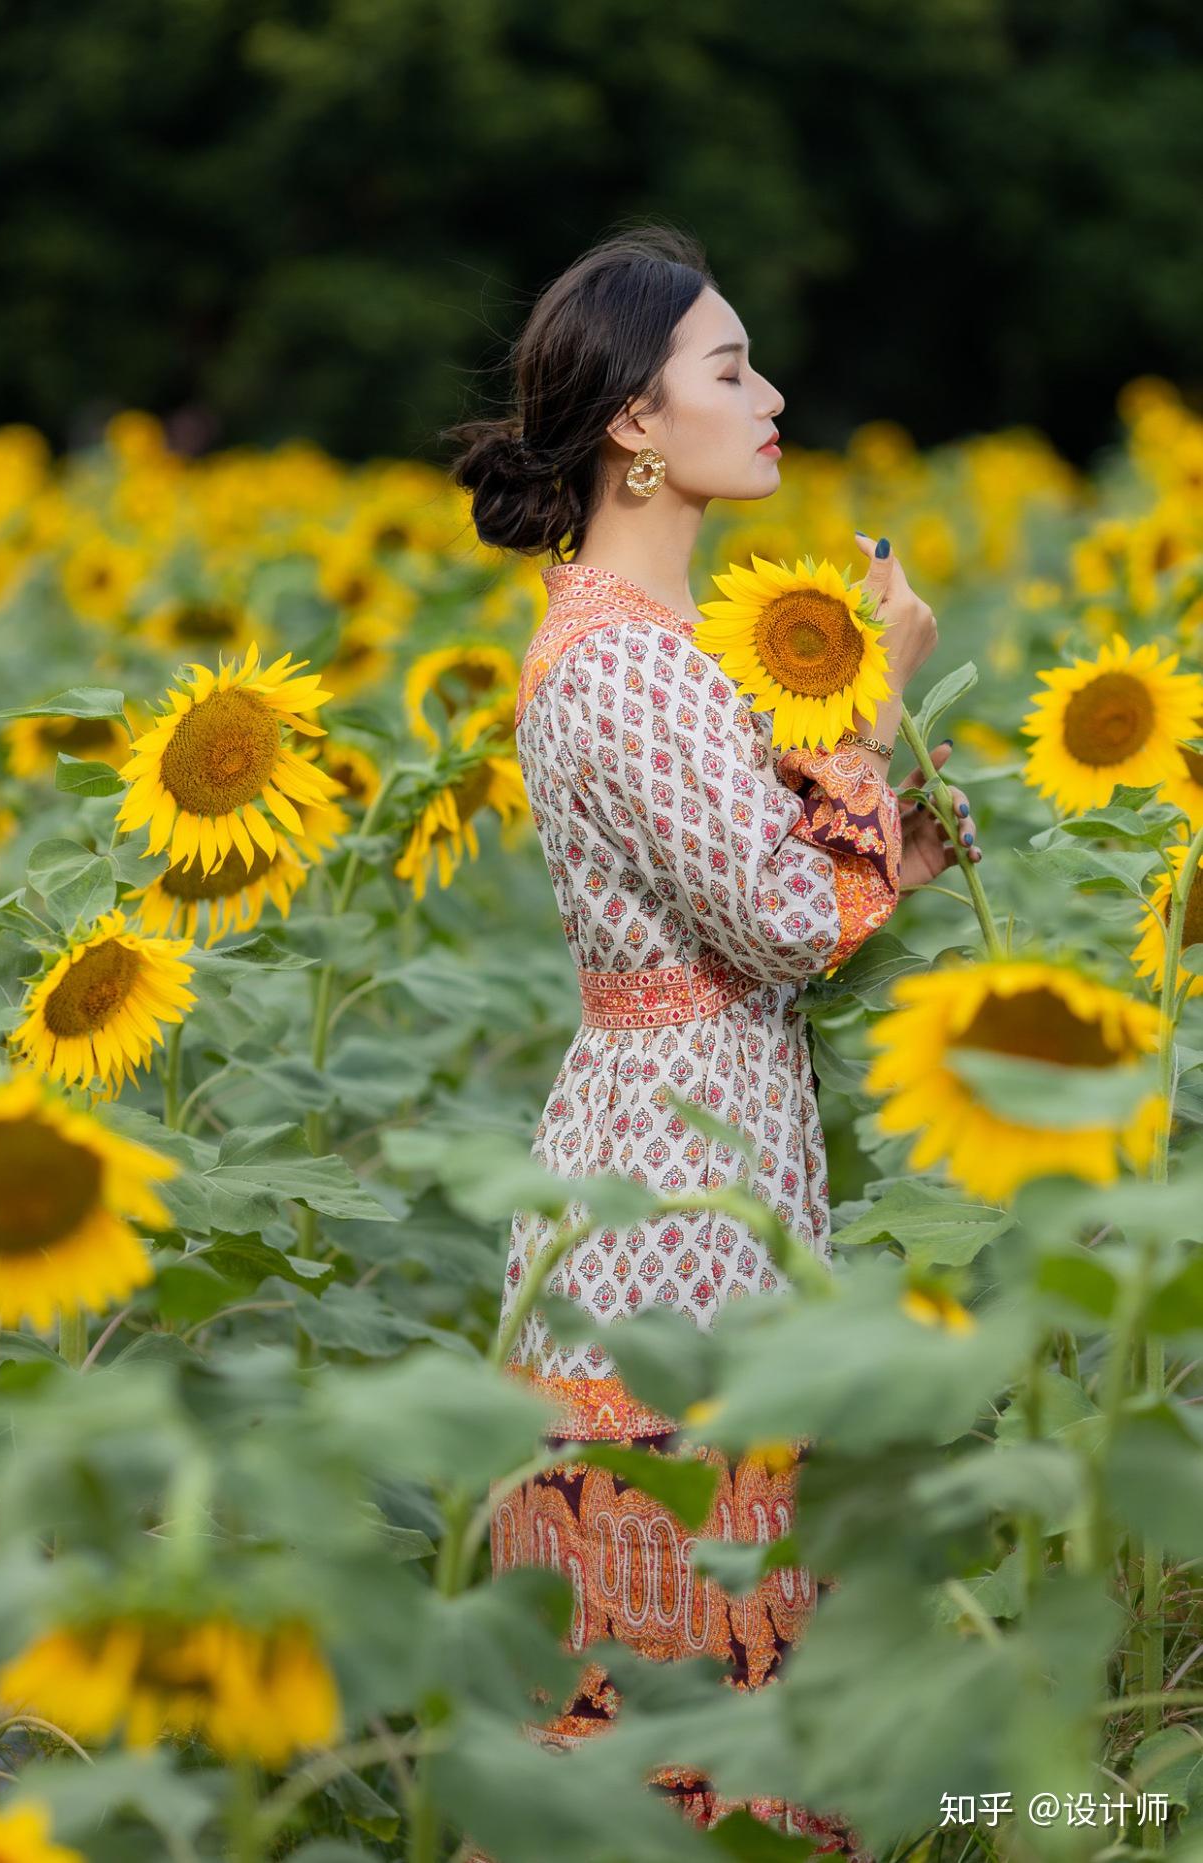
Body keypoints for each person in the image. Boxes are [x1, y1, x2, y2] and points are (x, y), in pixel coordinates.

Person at [444, 223, 980, 1859]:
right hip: (670, 1196)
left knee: (701, 1631)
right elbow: (784, 921)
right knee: (680, 1641)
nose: (772, 397)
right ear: (631, 425)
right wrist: (876, 701)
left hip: (690, 1151)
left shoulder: (649, 648)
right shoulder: (622, 665)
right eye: (729, 369)